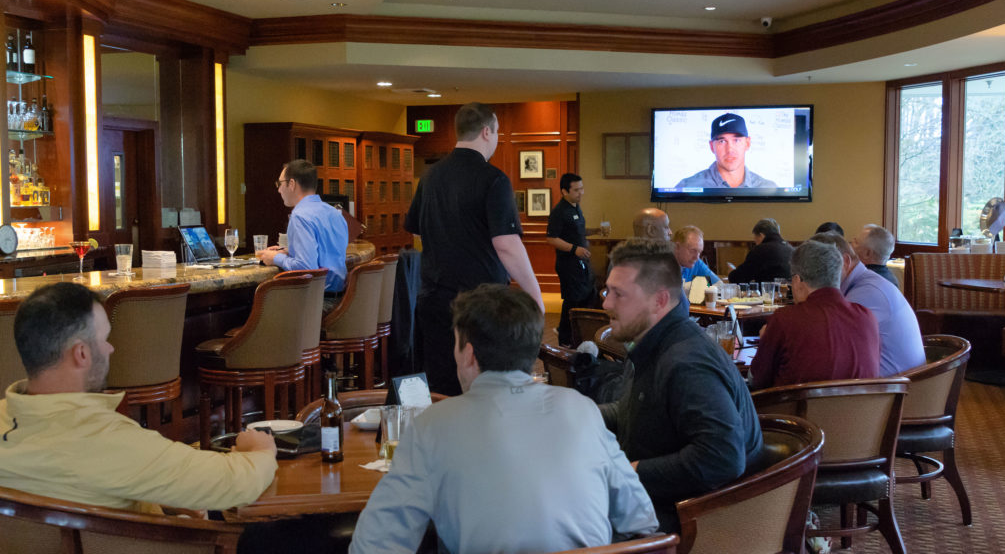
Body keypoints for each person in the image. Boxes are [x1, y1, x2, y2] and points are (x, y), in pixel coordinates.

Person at [350, 285, 659, 553]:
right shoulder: (583, 410)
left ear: (468, 354)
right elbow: (641, 519)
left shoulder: (432, 426)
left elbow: (375, 545)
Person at [0, 283, 278, 514]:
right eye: (104, 339)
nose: (110, 348)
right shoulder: (109, 441)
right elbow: (232, 484)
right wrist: (263, 450)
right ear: (81, 354)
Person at [599, 238, 762, 533]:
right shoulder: (659, 344)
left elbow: (722, 457)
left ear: (659, 300)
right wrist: (581, 415)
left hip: (698, 524)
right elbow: (641, 412)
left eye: (619, 294)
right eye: (607, 290)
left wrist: (628, 472)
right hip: (663, 506)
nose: (606, 303)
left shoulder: (687, 363)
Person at [405, 102, 543, 396]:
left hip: (433, 297)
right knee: (484, 387)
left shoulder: (430, 176)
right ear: (486, 132)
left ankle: (442, 441)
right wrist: (535, 296)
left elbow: (417, 228)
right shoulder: (492, 179)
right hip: (480, 305)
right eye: (496, 133)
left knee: (440, 387)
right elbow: (506, 244)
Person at [749, 240, 880, 389]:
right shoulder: (867, 317)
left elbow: (757, 380)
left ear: (797, 281)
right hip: (861, 411)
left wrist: (766, 341)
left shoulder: (785, 320)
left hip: (791, 411)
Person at [812, 232, 925, 376]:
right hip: (898, 382)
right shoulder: (865, 283)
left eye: (821, 269)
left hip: (895, 389)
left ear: (845, 262)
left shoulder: (867, 293)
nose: (816, 278)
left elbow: (831, 346)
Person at [258, 158, 349, 311]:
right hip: (343, 302)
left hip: (319, 305)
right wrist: (290, 251)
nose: (279, 190)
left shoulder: (300, 216)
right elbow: (328, 250)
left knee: (260, 309)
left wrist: (275, 258)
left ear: (291, 184)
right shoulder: (335, 213)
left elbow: (306, 267)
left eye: (280, 184)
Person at [547, 173, 599, 346]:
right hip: (568, 264)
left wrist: (596, 231)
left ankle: (570, 333)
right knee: (573, 299)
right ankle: (565, 338)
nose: (581, 193)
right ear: (564, 191)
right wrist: (574, 249)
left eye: (582, 188)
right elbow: (551, 238)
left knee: (582, 297)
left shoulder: (575, 207)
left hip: (580, 263)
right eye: (576, 190)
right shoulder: (559, 212)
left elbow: (577, 231)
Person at [675, 113, 777, 189]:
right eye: (722, 141)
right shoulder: (686, 186)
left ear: (747, 143)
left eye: (736, 140)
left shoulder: (768, 188)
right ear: (711, 146)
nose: (730, 149)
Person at [728, 218, 793, 283]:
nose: (756, 243)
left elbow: (739, 278)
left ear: (761, 235)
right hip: (789, 291)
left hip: (767, 292)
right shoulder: (791, 249)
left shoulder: (760, 250)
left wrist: (732, 273)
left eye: (755, 239)